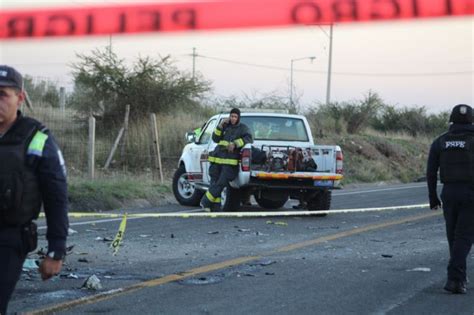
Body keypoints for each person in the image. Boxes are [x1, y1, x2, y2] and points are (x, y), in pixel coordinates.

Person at [0, 65, 69, 314]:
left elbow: (56, 197)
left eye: (2, 95)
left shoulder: (36, 138)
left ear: (19, 98)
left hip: (8, 240)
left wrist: (55, 251)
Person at [426, 103, 474, 294]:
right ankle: (455, 278)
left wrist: (433, 197)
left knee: (453, 236)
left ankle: (458, 276)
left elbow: (431, 172)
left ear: (451, 120)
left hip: (449, 193)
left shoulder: (440, 141)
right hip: (471, 193)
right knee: (463, 237)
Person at [200, 108, 252, 211]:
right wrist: (220, 126)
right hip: (216, 160)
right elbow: (215, 139)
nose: (233, 118)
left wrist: (236, 144)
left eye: (235, 117)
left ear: (238, 118)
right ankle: (215, 208)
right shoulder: (224, 126)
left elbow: (249, 138)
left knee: (220, 184)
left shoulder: (243, 128)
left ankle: (205, 201)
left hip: (229, 164)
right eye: (231, 116)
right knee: (214, 183)